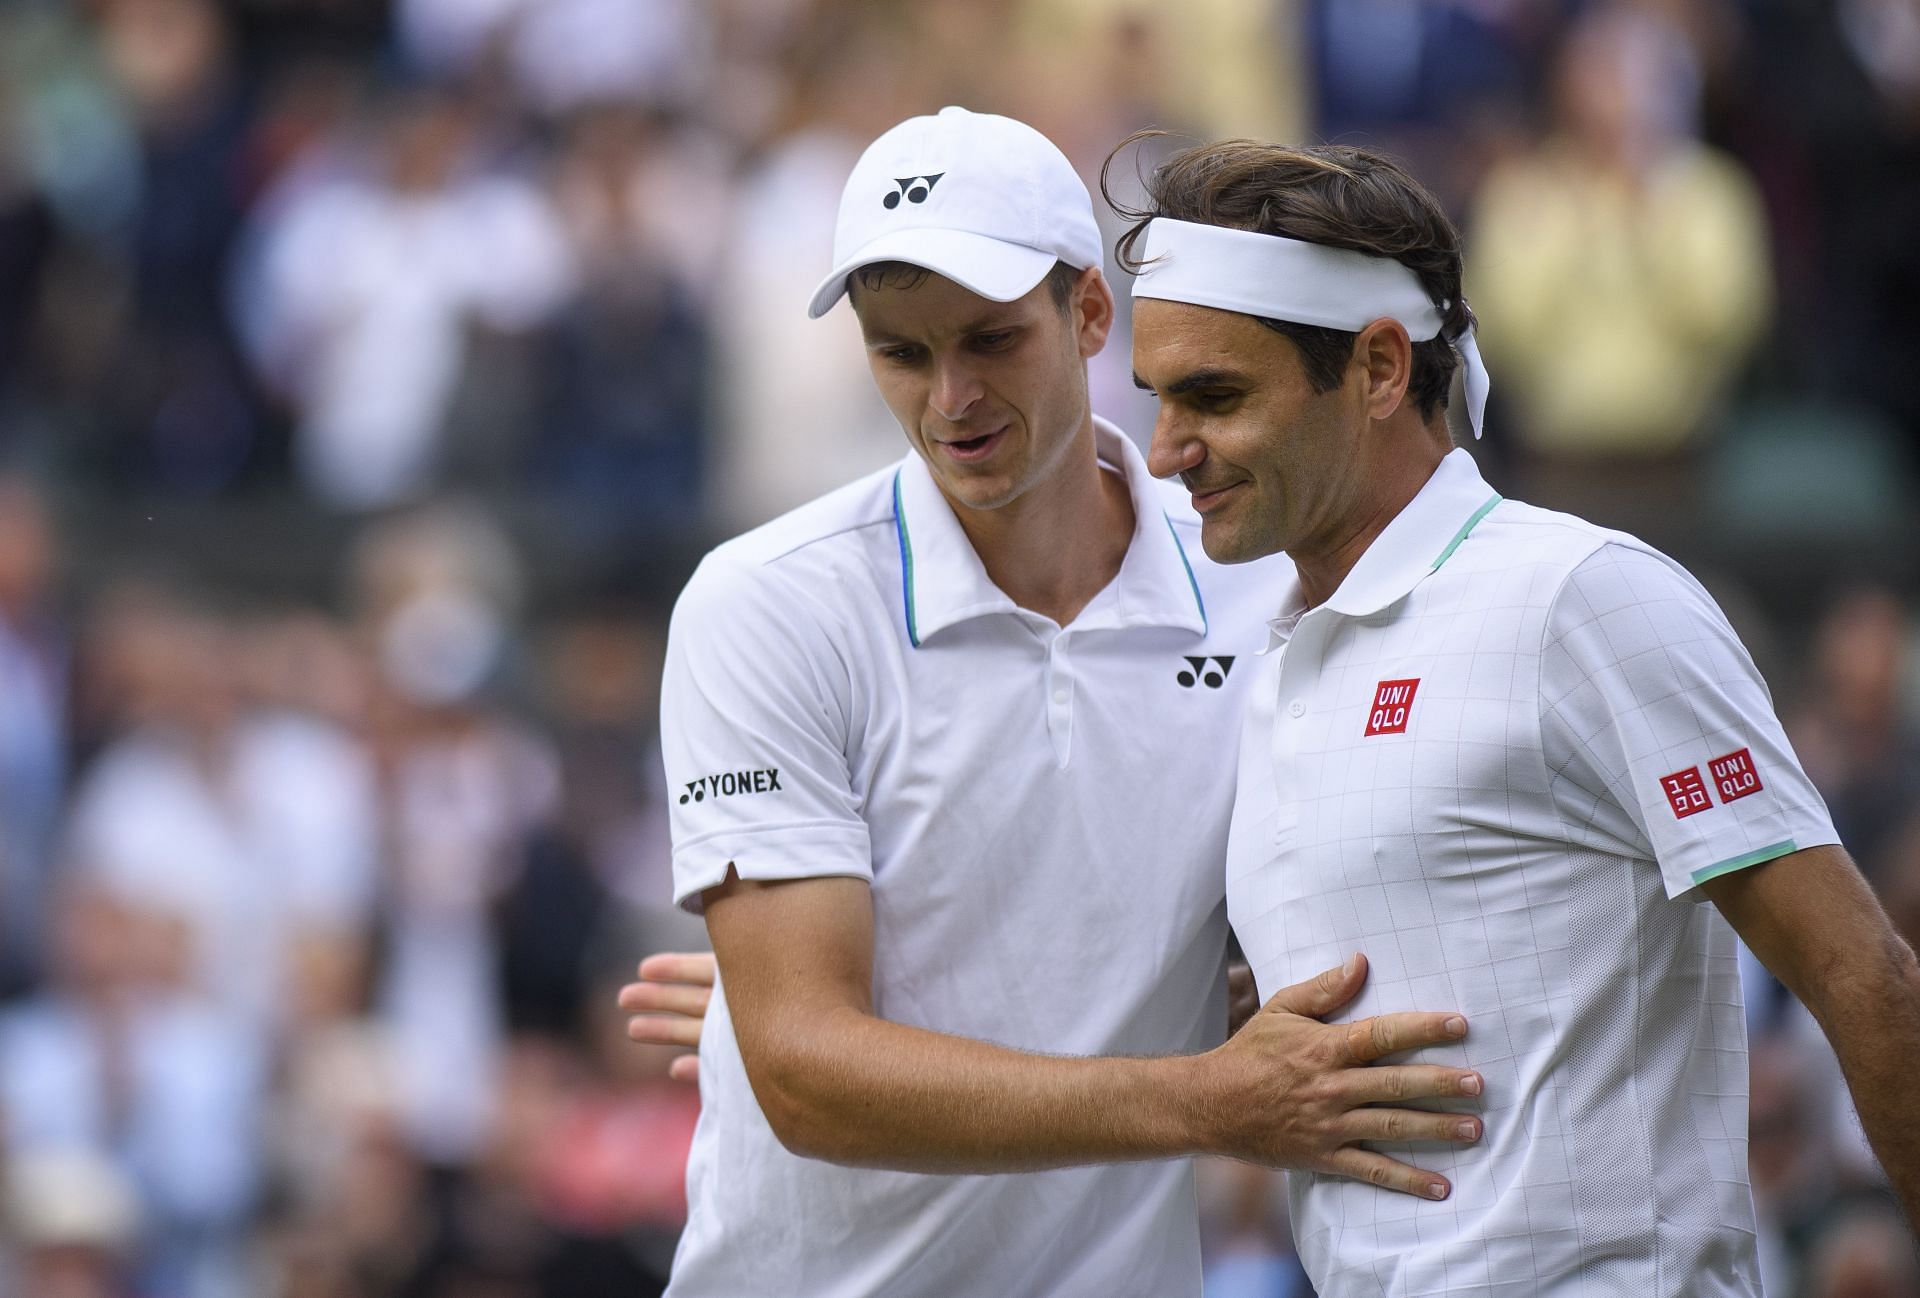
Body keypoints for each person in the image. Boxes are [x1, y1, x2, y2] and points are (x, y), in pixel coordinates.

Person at [640, 107, 1483, 1298]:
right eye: (901, 352)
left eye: (989, 340)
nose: (949, 400)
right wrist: (1205, 1096)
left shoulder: (1262, 587)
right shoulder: (765, 602)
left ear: (1091, 315)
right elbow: (805, 1072)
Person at [1119, 136, 1920, 1295]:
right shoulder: (1271, 660)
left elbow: (1864, 977)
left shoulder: (1583, 595)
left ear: (1382, 369)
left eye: (1216, 396)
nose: (1166, 451)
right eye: (1159, 397)